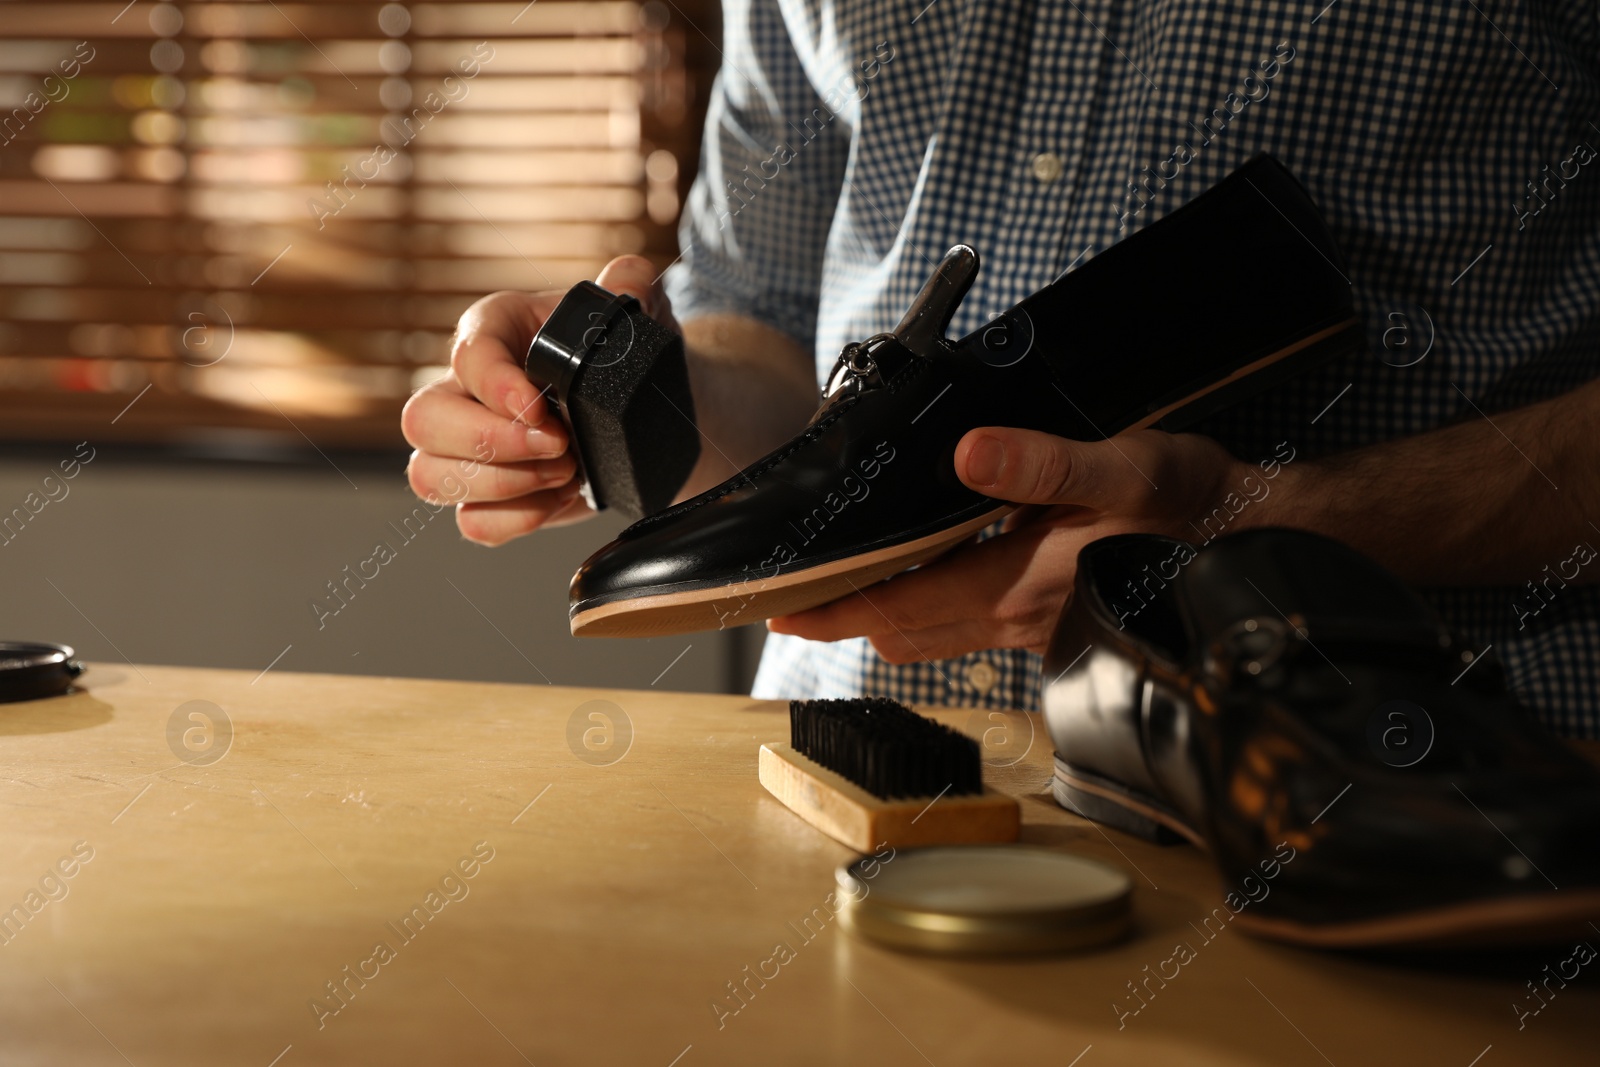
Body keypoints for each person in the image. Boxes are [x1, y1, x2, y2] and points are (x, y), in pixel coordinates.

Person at [403, 2, 1600, 738]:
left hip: (1412, 757)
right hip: (856, 745)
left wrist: (1258, 529)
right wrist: (639, 402)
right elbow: (762, 316)